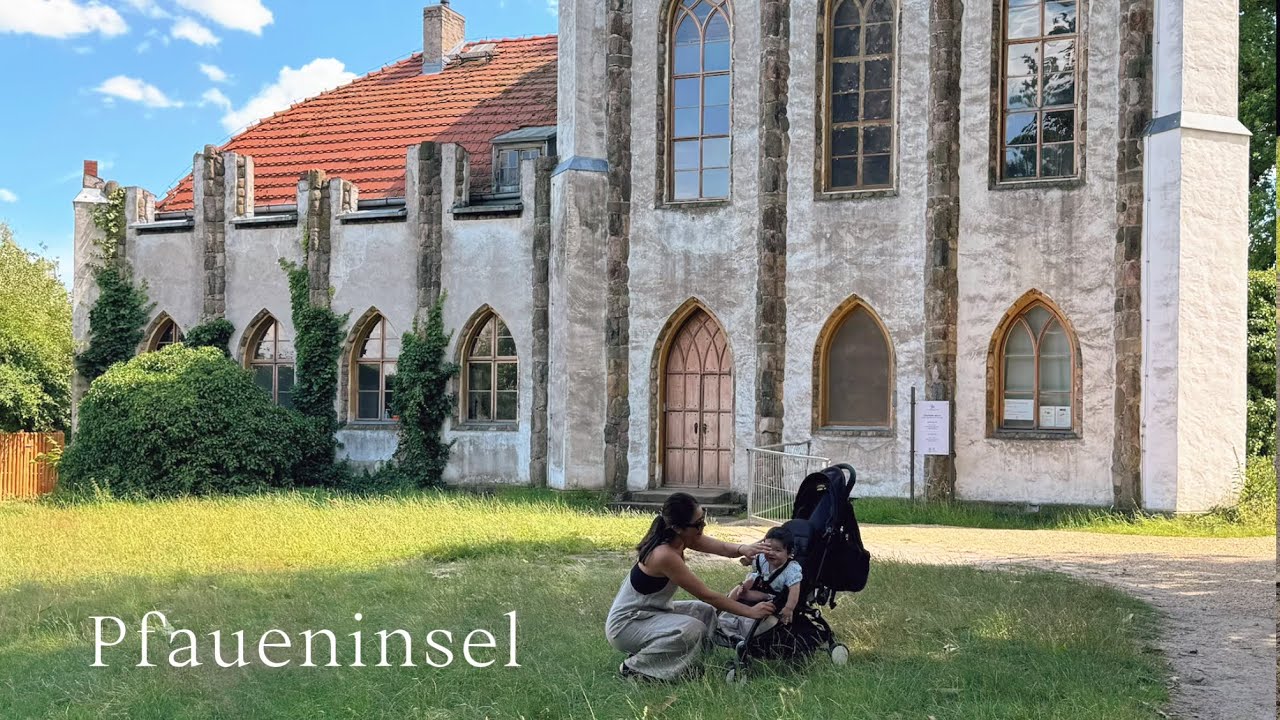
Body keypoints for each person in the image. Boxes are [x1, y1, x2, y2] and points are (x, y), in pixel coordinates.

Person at [604, 492, 775, 681]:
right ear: (678, 528)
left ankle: (694, 665)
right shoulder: (664, 555)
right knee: (692, 628)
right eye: (699, 524)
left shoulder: (682, 537)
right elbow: (707, 595)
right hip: (626, 626)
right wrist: (750, 612)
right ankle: (635, 668)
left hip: (651, 612)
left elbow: (724, 549)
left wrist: (745, 549)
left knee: (705, 613)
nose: (703, 527)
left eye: (704, 518)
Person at [719, 526, 802, 643]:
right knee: (741, 587)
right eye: (768, 548)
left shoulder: (791, 569)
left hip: (773, 596)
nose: (771, 553)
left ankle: (741, 611)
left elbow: (795, 590)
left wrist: (789, 608)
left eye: (777, 550)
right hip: (759, 586)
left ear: (789, 553)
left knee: (762, 599)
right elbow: (748, 560)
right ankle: (725, 607)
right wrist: (748, 559)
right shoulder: (762, 558)